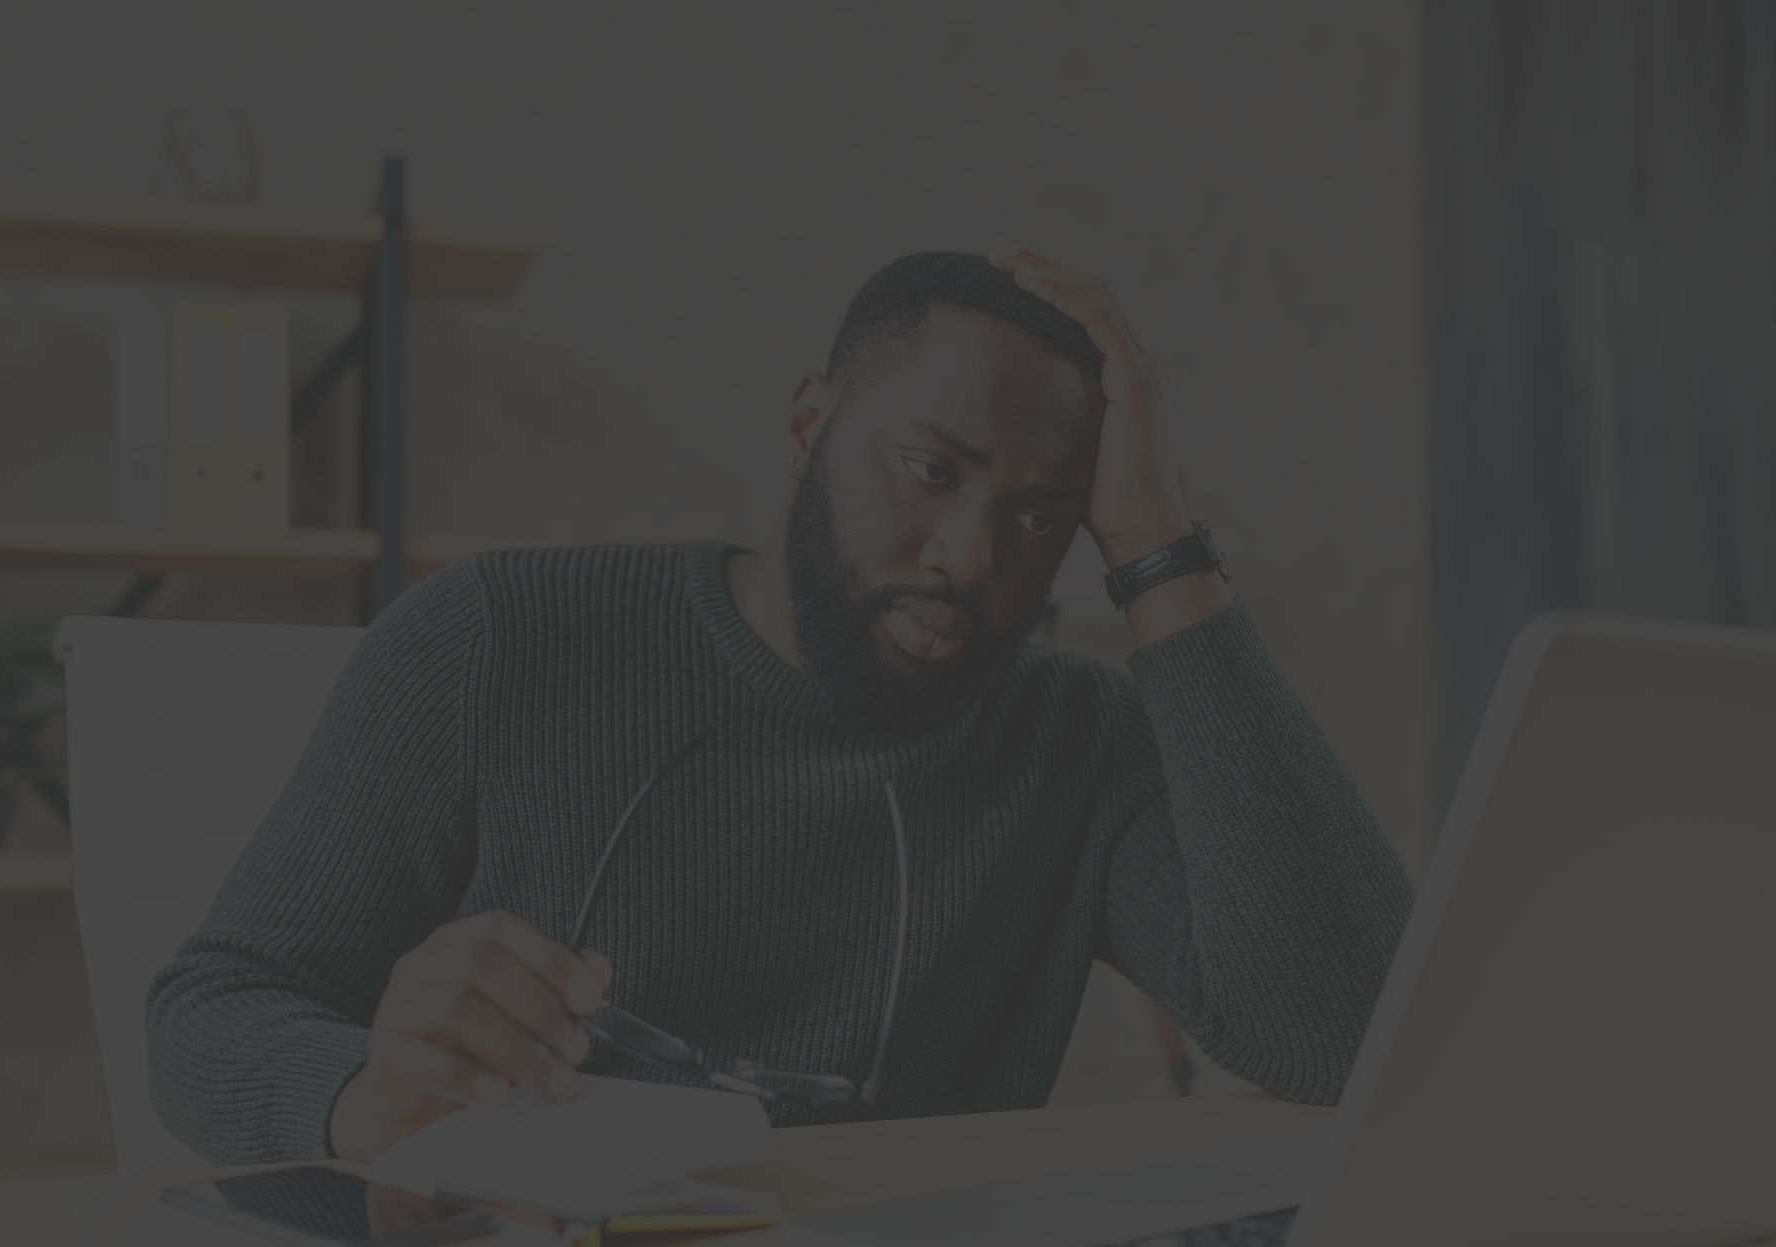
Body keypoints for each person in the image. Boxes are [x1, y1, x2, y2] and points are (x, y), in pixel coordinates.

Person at [146, 247, 1415, 1165]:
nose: (971, 557)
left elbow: (1350, 1036)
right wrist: (366, 1092)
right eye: (929, 470)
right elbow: (214, 1009)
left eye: (1041, 515)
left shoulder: (1077, 739)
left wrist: (1156, 544)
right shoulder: (499, 635)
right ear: (811, 422)